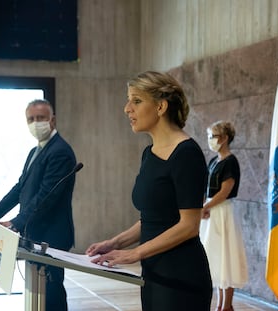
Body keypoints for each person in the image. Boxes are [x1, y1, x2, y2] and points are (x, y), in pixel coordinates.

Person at [85, 71, 213, 310]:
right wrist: (116, 242)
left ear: (161, 107)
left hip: (181, 277)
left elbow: (189, 225)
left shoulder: (186, 154)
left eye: (136, 100)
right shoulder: (149, 154)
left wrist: (135, 253)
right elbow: (155, 219)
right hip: (154, 273)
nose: (127, 109)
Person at [0, 99, 77, 311]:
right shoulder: (36, 151)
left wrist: (16, 222)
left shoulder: (60, 151)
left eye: (40, 118)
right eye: (30, 119)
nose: (35, 123)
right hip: (36, 231)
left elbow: (46, 196)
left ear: (52, 120)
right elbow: (20, 189)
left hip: (53, 235)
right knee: (38, 290)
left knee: (51, 291)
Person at [200, 121, 248, 311]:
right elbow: (207, 188)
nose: (210, 140)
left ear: (225, 138)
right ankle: (220, 304)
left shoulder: (230, 161)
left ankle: (226, 305)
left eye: (213, 136)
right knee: (217, 258)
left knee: (226, 256)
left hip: (223, 211)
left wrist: (207, 206)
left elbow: (225, 190)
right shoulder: (214, 161)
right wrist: (203, 206)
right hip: (211, 211)